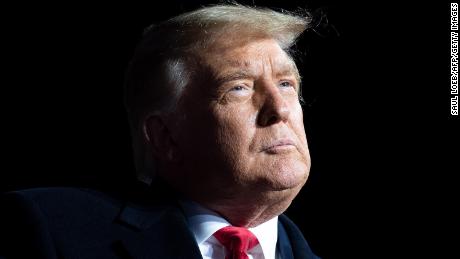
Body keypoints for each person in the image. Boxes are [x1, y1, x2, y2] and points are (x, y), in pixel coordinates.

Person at [0, 3, 319, 259]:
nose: (280, 109)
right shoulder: (50, 229)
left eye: (286, 84)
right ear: (166, 136)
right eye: (238, 88)